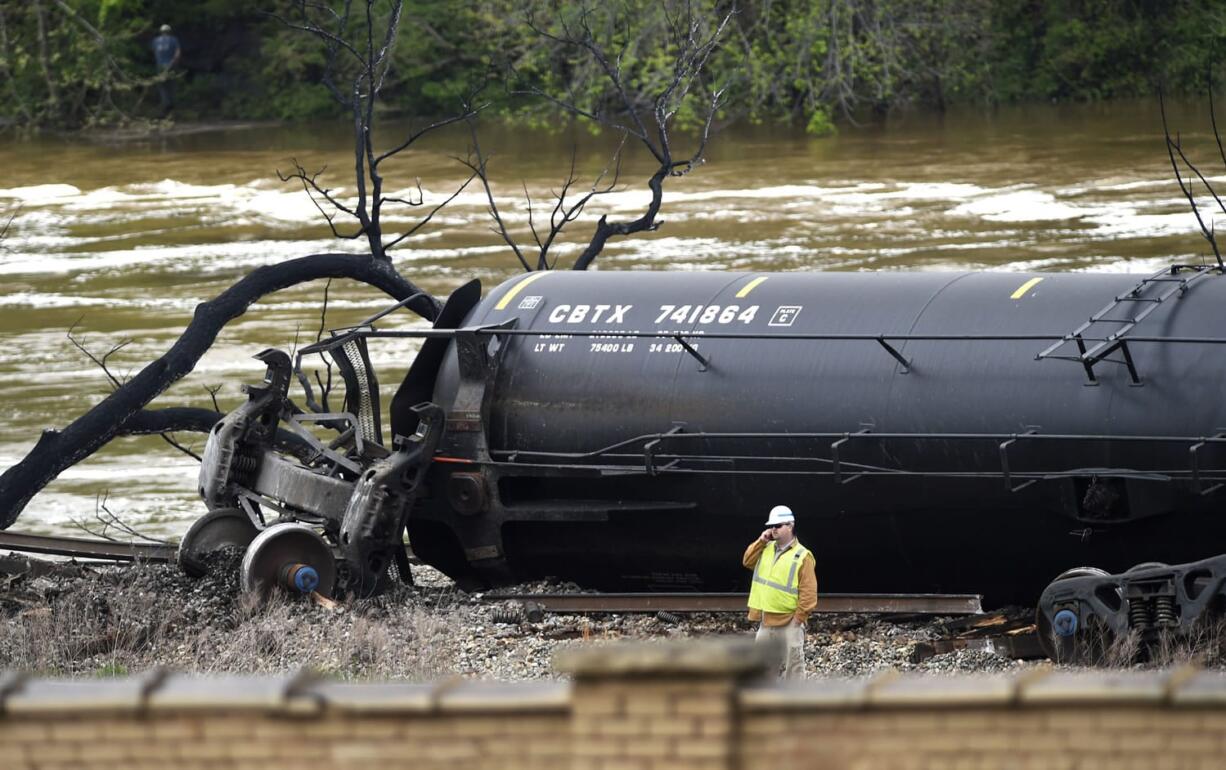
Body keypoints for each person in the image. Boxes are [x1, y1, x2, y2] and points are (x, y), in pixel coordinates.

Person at [743, 504, 817, 679]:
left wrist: (799, 619)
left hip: (790, 621)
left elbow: (809, 592)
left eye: (778, 526)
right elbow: (747, 561)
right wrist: (761, 540)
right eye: (771, 526)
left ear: (790, 526)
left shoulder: (802, 555)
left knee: (794, 666)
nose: (773, 529)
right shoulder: (766, 548)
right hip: (766, 620)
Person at [151, 24, 181, 115]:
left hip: (160, 66)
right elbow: (178, 53)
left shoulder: (155, 41)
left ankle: (166, 105)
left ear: (161, 31)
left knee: (162, 86)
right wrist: (173, 62)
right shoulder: (174, 40)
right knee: (171, 86)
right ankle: (170, 106)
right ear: (169, 31)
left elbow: (154, 52)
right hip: (171, 65)